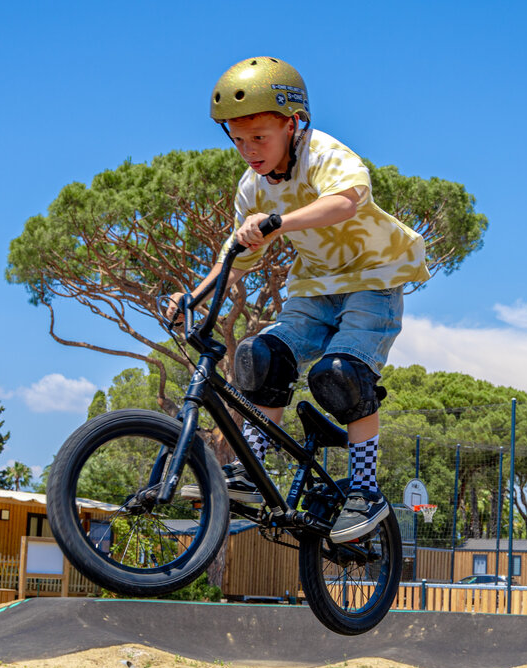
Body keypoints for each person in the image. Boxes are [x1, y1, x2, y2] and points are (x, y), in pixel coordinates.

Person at [172, 56, 430, 543]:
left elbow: (347, 200)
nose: (248, 151)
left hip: (374, 277)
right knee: (261, 357)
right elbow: (237, 257)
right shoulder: (252, 189)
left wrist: (279, 223)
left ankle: (365, 490)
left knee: (341, 376)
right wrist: (194, 295)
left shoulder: (323, 154)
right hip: (315, 285)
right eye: (237, 139)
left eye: (259, 138)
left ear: (291, 124)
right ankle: (251, 469)